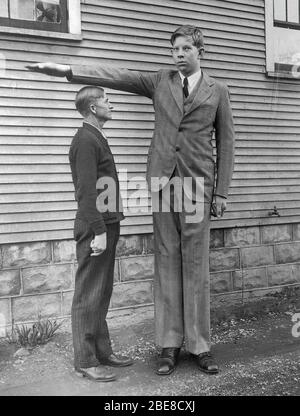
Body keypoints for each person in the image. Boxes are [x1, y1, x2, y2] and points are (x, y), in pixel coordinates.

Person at [27, 24, 235, 376]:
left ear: (201, 50)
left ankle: (200, 345)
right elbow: (118, 75)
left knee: (196, 264)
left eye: (186, 48)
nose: (179, 55)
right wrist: (69, 70)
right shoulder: (159, 82)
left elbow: (227, 142)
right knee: (166, 261)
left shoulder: (219, 91)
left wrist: (222, 191)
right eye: (175, 50)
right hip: (163, 182)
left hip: (198, 185)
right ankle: (169, 345)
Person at [67, 86, 133, 382]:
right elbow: (86, 192)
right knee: (88, 294)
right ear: (93, 108)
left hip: (107, 222)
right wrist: (98, 231)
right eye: (107, 101)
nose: (112, 104)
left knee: (102, 291)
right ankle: (85, 360)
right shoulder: (85, 140)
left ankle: (102, 351)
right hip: (96, 226)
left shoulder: (96, 137)